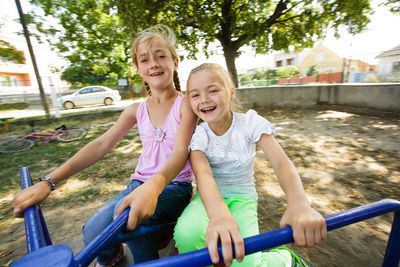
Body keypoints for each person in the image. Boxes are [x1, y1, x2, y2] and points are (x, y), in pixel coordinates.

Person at [13, 25, 197, 266]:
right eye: (144, 59)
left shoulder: (185, 105)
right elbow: (101, 144)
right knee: (91, 233)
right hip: (138, 183)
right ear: (138, 69)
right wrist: (49, 181)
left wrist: (152, 188)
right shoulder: (136, 110)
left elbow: (180, 153)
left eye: (161, 56)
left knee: (128, 215)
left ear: (175, 61)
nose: (153, 63)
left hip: (173, 187)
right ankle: (112, 256)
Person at [174, 63, 327, 267]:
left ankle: (284, 259)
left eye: (213, 90)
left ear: (231, 93)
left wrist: (298, 201)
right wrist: (218, 214)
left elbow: (280, 161)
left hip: (242, 198)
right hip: (207, 198)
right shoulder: (200, 134)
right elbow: (204, 176)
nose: (204, 99)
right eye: (195, 95)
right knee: (186, 235)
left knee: (244, 262)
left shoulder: (250, 123)